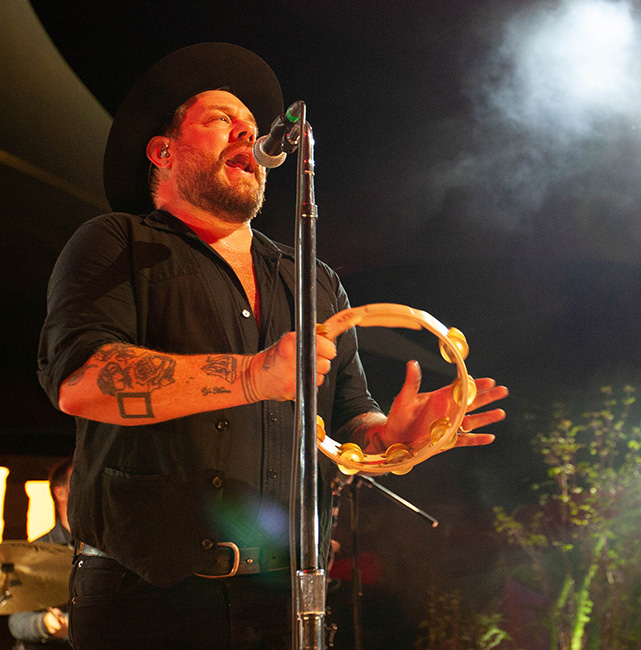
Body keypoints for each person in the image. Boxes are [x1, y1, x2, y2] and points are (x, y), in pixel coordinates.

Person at [36, 43, 507, 650]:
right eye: (220, 120)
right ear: (163, 151)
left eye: (253, 129)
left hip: (284, 603)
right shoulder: (113, 243)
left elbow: (347, 423)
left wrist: (392, 440)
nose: (246, 134)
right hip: (143, 602)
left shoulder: (315, 280)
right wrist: (253, 374)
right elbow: (80, 380)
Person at [7, 458, 74, 649]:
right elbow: (17, 622)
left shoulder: (109, 547)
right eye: (79, 478)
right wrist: (44, 623)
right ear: (60, 492)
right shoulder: (36, 551)